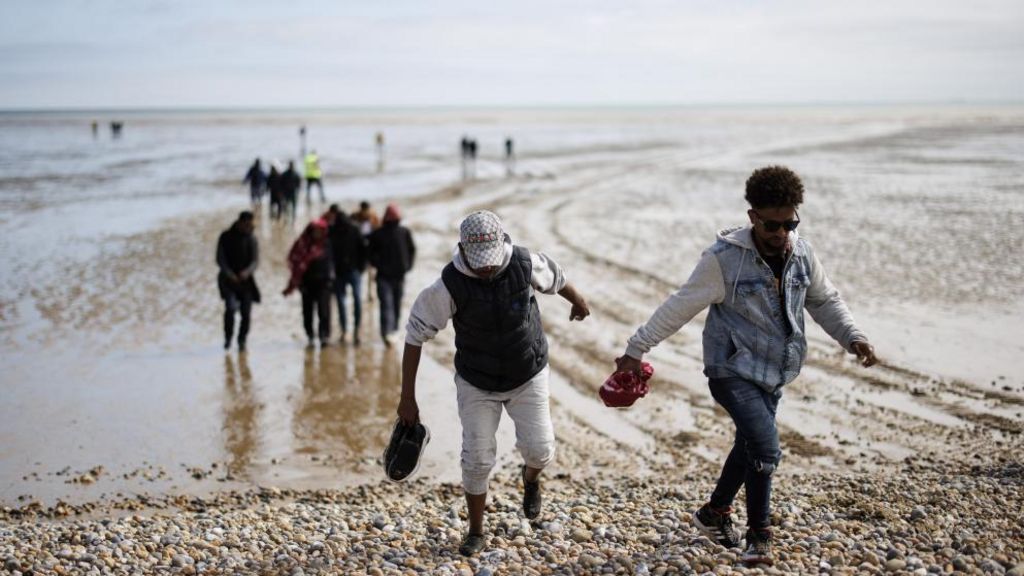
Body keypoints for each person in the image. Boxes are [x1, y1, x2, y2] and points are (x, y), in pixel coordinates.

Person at [615, 166, 879, 566]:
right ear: (752, 216)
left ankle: (714, 512)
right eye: (772, 224)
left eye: (790, 223)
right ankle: (759, 537)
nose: (781, 233)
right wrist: (637, 348)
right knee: (767, 448)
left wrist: (852, 337)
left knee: (750, 444)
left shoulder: (802, 254)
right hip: (730, 369)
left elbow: (824, 300)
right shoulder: (723, 261)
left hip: (776, 371)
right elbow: (680, 305)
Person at [397, 210, 590, 556]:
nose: (485, 268)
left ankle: (530, 481)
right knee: (477, 458)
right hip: (477, 382)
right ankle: (475, 530)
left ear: (503, 242)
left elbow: (557, 279)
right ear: (462, 249)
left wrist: (579, 300)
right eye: (478, 261)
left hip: (527, 373)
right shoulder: (448, 285)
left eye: (490, 260)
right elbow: (414, 336)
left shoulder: (524, 263)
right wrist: (407, 399)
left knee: (541, 449)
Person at [367, 203, 415, 346]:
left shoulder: (404, 232)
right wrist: (378, 264)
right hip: (383, 277)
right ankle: (386, 332)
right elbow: (369, 253)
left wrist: (408, 266)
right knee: (387, 304)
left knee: (395, 304)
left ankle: (392, 330)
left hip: (399, 276)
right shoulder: (377, 234)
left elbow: (412, 250)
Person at [283, 219, 335, 347]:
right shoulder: (301, 244)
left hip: (324, 284)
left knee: (324, 311)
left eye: (320, 230)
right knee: (308, 312)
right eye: (315, 230)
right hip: (307, 284)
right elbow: (293, 261)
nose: (318, 233)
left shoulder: (327, 244)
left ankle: (324, 336)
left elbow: (333, 262)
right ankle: (310, 335)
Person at [216, 211, 261, 351]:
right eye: (248, 225)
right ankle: (228, 338)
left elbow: (255, 261)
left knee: (246, 314)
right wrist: (229, 274)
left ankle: (242, 340)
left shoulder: (252, 239)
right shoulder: (225, 236)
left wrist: (247, 272)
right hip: (228, 281)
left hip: (246, 282)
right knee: (230, 309)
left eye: (252, 225)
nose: (250, 227)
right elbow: (219, 259)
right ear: (241, 222)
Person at [328, 204, 368, 344]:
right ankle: (351, 331)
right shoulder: (347, 229)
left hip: (349, 272)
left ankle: (349, 331)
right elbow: (364, 249)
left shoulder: (339, 230)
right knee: (352, 301)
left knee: (346, 302)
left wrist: (361, 268)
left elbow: (363, 250)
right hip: (346, 272)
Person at [351, 201, 381, 302]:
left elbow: (379, 231)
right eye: (364, 211)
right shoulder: (355, 217)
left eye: (367, 210)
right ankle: (359, 293)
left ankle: (370, 292)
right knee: (359, 271)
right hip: (358, 249)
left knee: (371, 272)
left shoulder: (374, 218)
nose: (366, 213)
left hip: (370, 248)